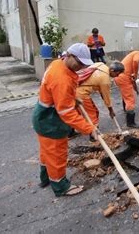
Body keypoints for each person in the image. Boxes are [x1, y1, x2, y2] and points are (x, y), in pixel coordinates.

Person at [32, 43, 97, 197]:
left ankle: (46, 179)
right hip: (51, 121)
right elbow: (67, 113)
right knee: (57, 155)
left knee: (46, 153)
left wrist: (73, 98)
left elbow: (59, 93)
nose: (81, 67)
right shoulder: (61, 78)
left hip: (43, 117)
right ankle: (61, 187)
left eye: (83, 64)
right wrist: (89, 128)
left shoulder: (57, 64)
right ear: (69, 55)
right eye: (79, 63)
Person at [76, 61, 125, 141]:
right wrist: (111, 110)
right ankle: (93, 137)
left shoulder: (101, 64)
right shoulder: (105, 80)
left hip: (74, 87)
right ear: (112, 70)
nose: (117, 76)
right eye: (117, 74)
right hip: (80, 93)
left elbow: (102, 93)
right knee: (93, 113)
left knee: (75, 113)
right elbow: (106, 97)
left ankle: (71, 132)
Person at [114, 46, 139, 128]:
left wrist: (135, 89)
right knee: (130, 99)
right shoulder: (138, 54)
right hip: (123, 77)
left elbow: (132, 80)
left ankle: (126, 110)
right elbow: (135, 61)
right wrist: (136, 74)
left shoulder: (133, 54)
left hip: (119, 76)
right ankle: (130, 123)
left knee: (125, 95)